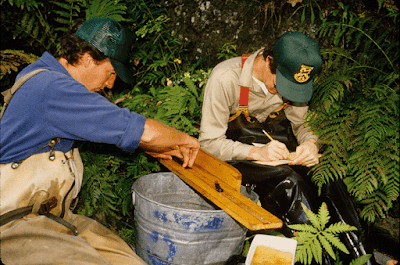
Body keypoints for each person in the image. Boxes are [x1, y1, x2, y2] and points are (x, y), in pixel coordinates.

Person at [0, 17, 199, 265]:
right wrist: (183, 139)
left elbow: (110, 126)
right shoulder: (52, 87)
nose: (111, 84)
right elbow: (141, 130)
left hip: (52, 216)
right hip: (12, 222)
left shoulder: (49, 78)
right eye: (111, 72)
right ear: (86, 58)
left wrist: (156, 146)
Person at [199, 31, 378, 264]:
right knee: (290, 183)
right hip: (236, 158)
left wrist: (310, 144)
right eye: (281, 84)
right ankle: (319, 259)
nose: (286, 93)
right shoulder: (225, 78)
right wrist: (256, 152)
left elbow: (303, 125)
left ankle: (363, 259)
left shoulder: (293, 81)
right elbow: (209, 144)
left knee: (328, 177)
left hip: (279, 152)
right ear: (268, 60)